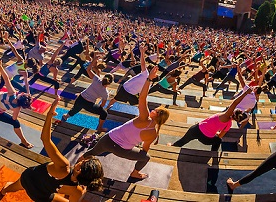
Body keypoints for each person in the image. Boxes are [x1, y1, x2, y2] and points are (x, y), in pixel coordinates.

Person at [84, 45, 170, 180]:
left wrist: (149, 79)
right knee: (146, 158)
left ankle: (74, 168)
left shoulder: (144, 118)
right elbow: (144, 152)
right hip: (122, 150)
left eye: (156, 110)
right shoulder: (153, 132)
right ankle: (135, 173)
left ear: (157, 115)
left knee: (90, 153)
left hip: (108, 139)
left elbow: (142, 98)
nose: (153, 109)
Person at [0, 97, 103, 202]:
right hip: (40, 196)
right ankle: (7, 189)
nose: (82, 159)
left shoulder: (63, 166)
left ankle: (4, 190)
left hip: (28, 178)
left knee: (18, 185)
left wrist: (49, 115)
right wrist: (81, 195)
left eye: (84, 161)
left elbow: (45, 139)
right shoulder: (77, 191)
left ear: (79, 169)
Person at [171, 87, 252, 151]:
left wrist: (245, 93)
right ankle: (213, 153)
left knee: (183, 141)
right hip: (206, 139)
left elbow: (235, 103)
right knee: (218, 141)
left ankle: (172, 147)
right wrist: (216, 133)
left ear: (233, 112)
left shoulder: (226, 114)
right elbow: (220, 136)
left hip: (196, 129)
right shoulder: (228, 124)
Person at [0, 59, 35, 149]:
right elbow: (14, 118)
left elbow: (6, 78)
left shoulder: (12, 92)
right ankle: (24, 142)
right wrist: (19, 108)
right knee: (16, 123)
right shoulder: (17, 107)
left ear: (21, 95)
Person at [62, 66, 112, 133]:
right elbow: (102, 105)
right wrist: (97, 106)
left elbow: (88, 69)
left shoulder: (96, 79)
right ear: (110, 83)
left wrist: (94, 58)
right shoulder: (106, 93)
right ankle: (99, 128)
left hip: (80, 98)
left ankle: (66, 116)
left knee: (75, 109)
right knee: (104, 113)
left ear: (103, 78)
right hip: (89, 105)